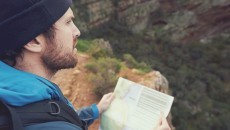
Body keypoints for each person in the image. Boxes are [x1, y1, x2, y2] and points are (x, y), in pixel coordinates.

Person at [0, 0, 171, 130]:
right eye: (68, 23)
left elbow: (52, 117)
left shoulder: (19, 98)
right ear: (34, 41)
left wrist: (96, 110)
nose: (77, 31)